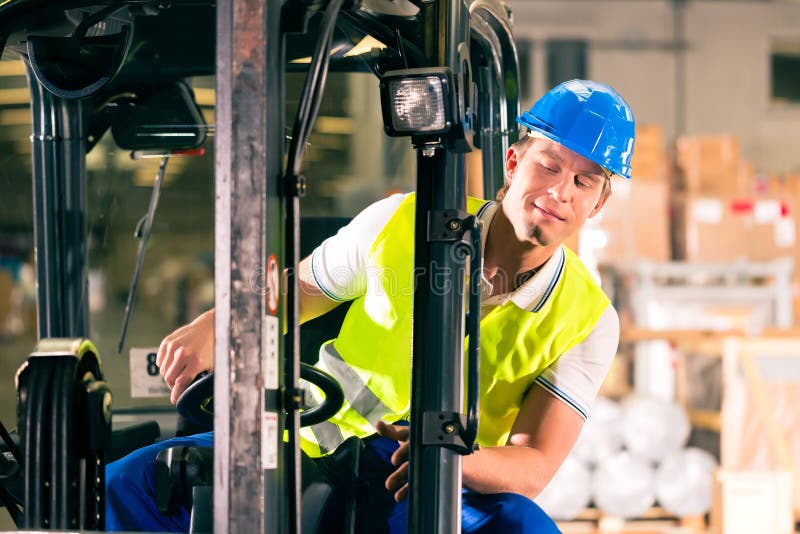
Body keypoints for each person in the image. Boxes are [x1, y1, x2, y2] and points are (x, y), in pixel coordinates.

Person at [106, 79, 635, 533]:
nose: (560, 191)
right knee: (134, 483)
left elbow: (535, 462)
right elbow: (297, 294)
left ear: (599, 201)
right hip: (311, 442)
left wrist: (453, 460)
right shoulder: (402, 222)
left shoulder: (588, 319)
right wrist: (217, 321)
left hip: (431, 477)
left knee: (522, 526)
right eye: (548, 166)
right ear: (514, 162)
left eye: (584, 181)